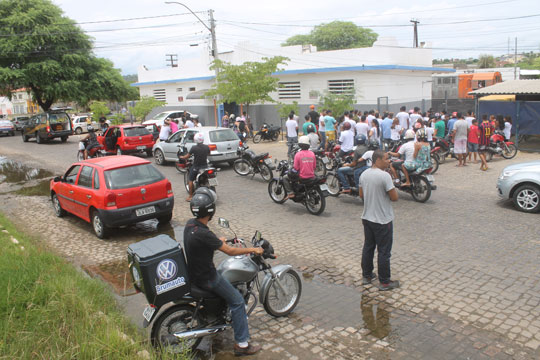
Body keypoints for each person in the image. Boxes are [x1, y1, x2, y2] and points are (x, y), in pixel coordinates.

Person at [185, 188, 263, 356]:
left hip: (194, 274)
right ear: (211, 211)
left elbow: (203, 244)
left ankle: (220, 315)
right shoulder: (205, 234)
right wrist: (252, 249)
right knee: (237, 302)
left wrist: (217, 242)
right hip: (208, 278)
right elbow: (230, 251)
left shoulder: (190, 225)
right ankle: (242, 344)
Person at [358, 150, 399, 291]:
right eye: (387, 159)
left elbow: (361, 195)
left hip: (367, 217)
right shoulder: (385, 176)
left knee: (368, 247)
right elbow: (394, 197)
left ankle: (367, 276)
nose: (389, 161)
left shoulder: (364, 174)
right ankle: (385, 282)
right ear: (377, 160)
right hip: (382, 220)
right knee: (384, 251)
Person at [179, 133, 210, 201]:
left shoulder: (194, 148)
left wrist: (182, 157)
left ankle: (190, 196)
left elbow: (187, 156)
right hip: (205, 166)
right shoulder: (206, 147)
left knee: (190, 180)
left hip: (197, 167)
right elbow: (209, 153)